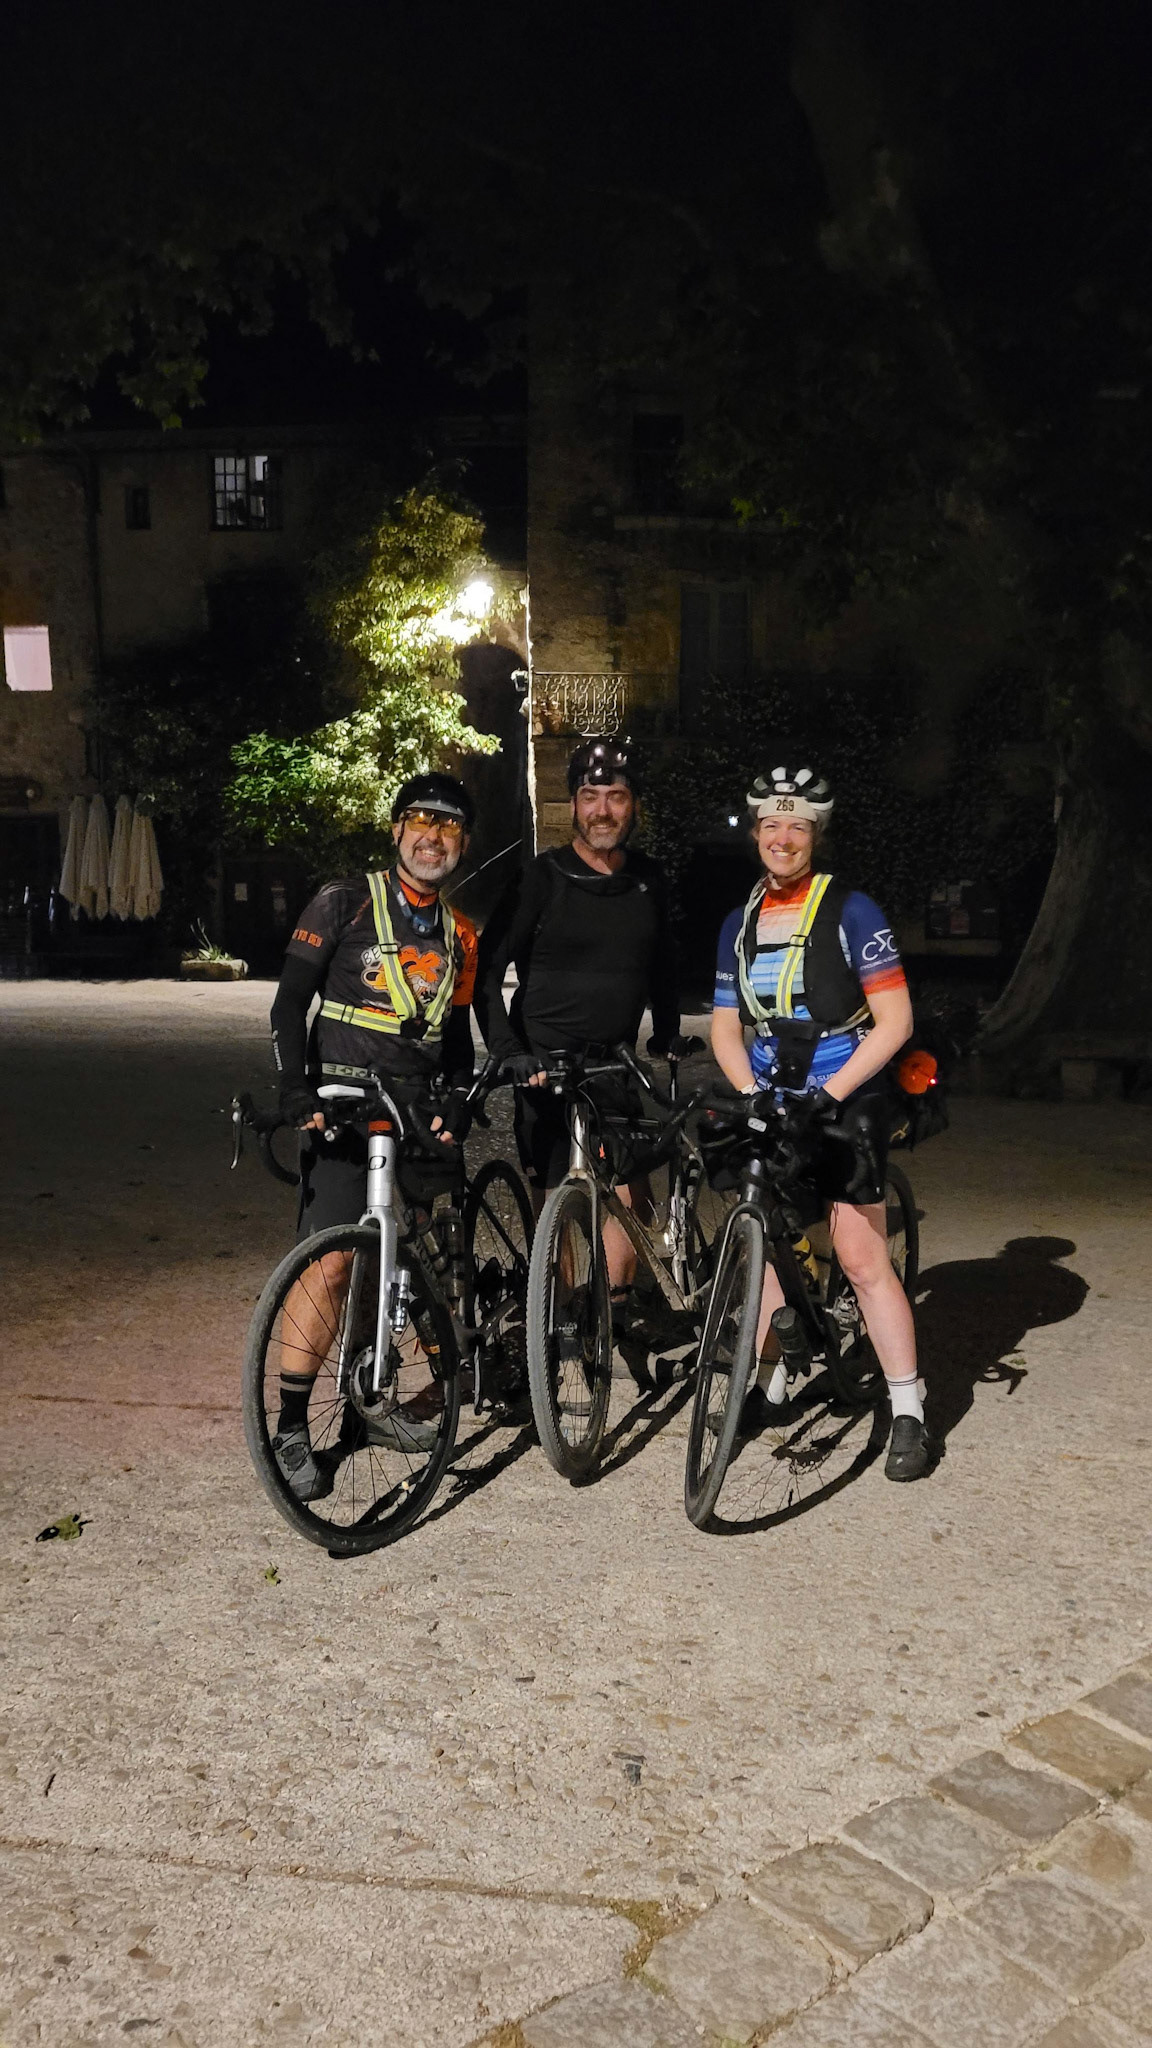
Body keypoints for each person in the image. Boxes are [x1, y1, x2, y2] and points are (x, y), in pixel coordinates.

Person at [710, 763, 932, 1481]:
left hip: (847, 1084)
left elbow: (894, 1022)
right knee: (763, 1236)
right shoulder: (737, 923)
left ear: (815, 836)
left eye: (796, 827)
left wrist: (829, 1093)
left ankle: (908, 1410)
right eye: (770, 825)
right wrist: (750, 1093)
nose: (782, 838)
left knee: (861, 1258)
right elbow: (724, 1029)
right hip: (775, 1087)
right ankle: (773, 1380)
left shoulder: (853, 910)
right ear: (755, 834)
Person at [267, 772, 479, 1497]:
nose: (433, 836)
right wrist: (296, 1091)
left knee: (396, 1264)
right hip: (345, 1108)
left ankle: (371, 1404)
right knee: (328, 1266)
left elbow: (454, 1040)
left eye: (449, 826)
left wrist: (457, 1101)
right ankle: (293, 1426)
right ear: (395, 831)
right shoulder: (342, 900)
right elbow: (289, 1003)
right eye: (420, 821)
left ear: (463, 843)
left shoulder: (461, 934)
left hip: (415, 1114)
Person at [474, 734, 680, 1329]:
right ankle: (558, 1319)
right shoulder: (542, 879)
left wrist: (665, 1031)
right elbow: (485, 973)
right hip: (543, 1065)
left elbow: (665, 964)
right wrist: (508, 1052)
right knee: (551, 1207)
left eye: (616, 795)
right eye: (590, 795)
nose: (603, 810)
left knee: (628, 1195)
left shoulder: (650, 880)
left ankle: (610, 1312)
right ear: (573, 804)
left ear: (634, 804)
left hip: (615, 1064)